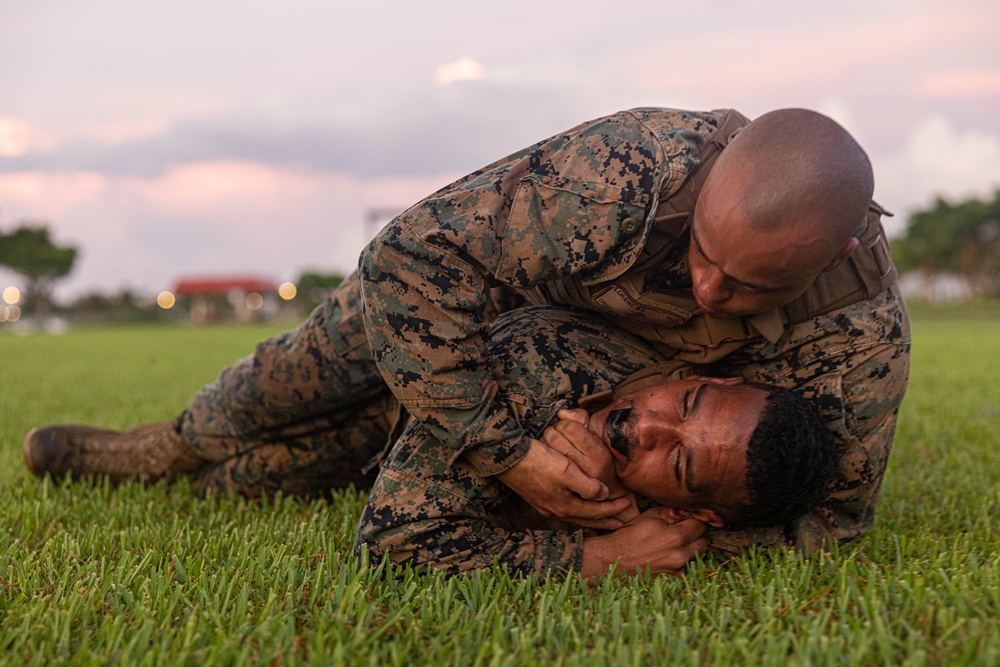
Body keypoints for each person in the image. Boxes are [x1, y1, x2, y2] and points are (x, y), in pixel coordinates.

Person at [24, 106, 910, 558]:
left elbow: (827, 517)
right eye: (703, 253)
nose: (711, 286)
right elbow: (408, 261)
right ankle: (175, 444)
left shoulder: (861, 333)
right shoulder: (622, 173)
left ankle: (240, 477)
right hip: (479, 296)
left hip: (635, 379)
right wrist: (508, 447)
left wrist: (638, 517)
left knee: (356, 445)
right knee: (320, 367)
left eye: (749, 283)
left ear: (836, 247)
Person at [355, 306, 840, 579]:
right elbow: (386, 548)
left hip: (375, 453)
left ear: (698, 514)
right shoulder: (545, 366)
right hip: (377, 348)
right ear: (708, 378)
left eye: (678, 462)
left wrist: (610, 507)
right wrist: (600, 559)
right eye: (686, 404)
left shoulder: (695, 516)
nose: (649, 428)